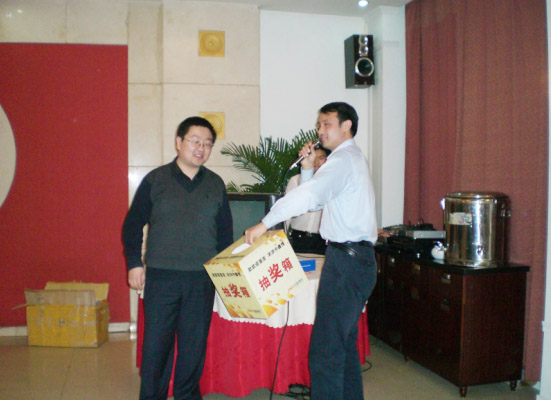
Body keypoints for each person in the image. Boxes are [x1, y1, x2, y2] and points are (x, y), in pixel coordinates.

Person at [245, 102, 377, 400]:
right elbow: (315, 200)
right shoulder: (348, 159)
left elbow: (311, 196)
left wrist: (265, 223)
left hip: (347, 261)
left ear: (347, 126)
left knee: (326, 351)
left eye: (326, 123)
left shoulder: (342, 160)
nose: (320, 131)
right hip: (352, 260)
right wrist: (307, 169)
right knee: (342, 347)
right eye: (318, 125)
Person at [122, 116, 233, 400]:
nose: (201, 148)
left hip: (202, 281)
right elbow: (132, 225)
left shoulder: (216, 184)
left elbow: (225, 236)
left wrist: (224, 277)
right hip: (162, 278)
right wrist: (134, 263)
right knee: (156, 349)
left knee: (193, 350)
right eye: (195, 141)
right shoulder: (155, 180)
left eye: (207, 143)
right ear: (178, 142)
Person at [284, 147, 329, 254]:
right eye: (314, 158)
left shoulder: (331, 182)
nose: (317, 162)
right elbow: (286, 212)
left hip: (323, 241)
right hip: (299, 238)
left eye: (321, 158)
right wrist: (282, 239)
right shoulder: (295, 180)